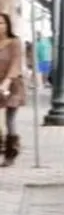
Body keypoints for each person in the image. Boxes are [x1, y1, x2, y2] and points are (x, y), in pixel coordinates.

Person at [0, 14, 25, 167]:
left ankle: (11, 151)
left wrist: (7, 82)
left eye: (2, 23)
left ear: (8, 25)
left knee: (10, 119)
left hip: (13, 84)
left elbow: (16, 63)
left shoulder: (14, 42)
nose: (0, 26)